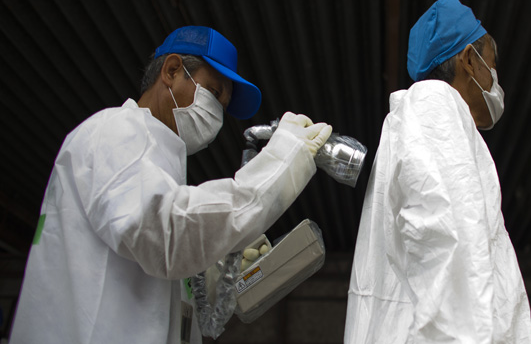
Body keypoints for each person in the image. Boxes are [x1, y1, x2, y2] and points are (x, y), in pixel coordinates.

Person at [10, 26, 332, 344]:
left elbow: (155, 256)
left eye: (223, 106)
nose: (217, 115)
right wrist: (283, 159)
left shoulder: (153, 162)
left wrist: (209, 274)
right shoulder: (117, 131)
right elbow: (167, 234)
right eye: (214, 93)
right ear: (172, 71)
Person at [344, 0, 531, 343]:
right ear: (469, 59)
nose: (494, 80)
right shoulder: (434, 105)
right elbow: (446, 237)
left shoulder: (428, 117)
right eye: (492, 66)